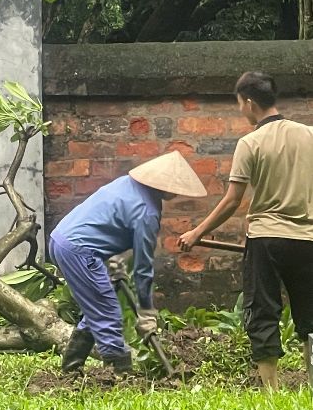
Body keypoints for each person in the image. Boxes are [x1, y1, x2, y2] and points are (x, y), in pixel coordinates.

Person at [179, 72, 313, 391]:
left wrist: (197, 232)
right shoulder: (309, 134)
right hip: (308, 239)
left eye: (239, 104)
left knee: (263, 311)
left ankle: (271, 393)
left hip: (266, 239)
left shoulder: (250, 142)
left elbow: (232, 201)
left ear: (249, 103)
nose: (240, 110)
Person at [50, 151, 206, 374]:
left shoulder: (126, 184)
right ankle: (119, 375)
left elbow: (107, 221)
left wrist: (117, 260)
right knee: (108, 313)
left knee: (98, 307)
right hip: (80, 250)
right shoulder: (147, 211)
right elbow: (143, 268)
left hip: (62, 239)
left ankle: (71, 369)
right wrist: (146, 313)